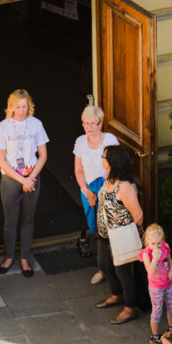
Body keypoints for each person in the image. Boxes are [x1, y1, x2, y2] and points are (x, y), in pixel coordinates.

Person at [0, 88, 49, 277]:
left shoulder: (36, 124)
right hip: (11, 179)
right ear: (11, 107)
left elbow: (43, 155)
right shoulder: (3, 127)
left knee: (28, 218)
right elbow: (1, 160)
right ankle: (9, 257)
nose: (21, 111)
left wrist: (31, 178)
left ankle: (24, 257)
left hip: (32, 178)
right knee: (10, 221)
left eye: (25, 107)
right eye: (18, 107)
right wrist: (22, 179)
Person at [94, 145, 145, 325]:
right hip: (105, 234)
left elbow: (138, 216)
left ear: (113, 162)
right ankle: (118, 294)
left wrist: (129, 229)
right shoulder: (109, 179)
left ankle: (130, 308)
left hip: (120, 236)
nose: (102, 159)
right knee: (105, 266)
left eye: (104, 156)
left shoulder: (124, 187)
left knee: (123, 272)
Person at [72, 104, 118, 281]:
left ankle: (115, 264)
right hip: (88, 188)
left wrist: (103, 191)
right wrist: (86, 192)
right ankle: (103, 268)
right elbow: (78, 170)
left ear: (100, 124)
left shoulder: (110, 140)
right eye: (85, 123)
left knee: (110, 226)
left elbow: (117, 166)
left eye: (92, 123)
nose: (89, 127)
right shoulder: (80, 142)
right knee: (95, 227)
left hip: (109, 188)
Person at [139, 224, 172, 344]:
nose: (156, 246)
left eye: (159, 243)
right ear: (147, 242)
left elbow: (170, 260)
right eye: (153, 244)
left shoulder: (165, 247)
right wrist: (155, 257)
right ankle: (155, 337)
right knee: (157, 311)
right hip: (156, 288)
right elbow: (150, 271)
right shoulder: (146, 254)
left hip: (168, 284)